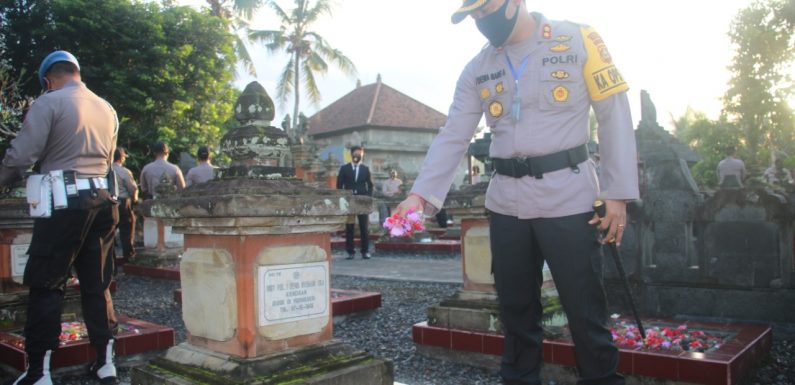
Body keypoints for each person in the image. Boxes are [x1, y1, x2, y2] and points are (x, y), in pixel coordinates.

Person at [395, 2, 639, 384]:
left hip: (569, 199)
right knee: (516, 316)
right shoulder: (478, 67)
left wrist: (617, 193)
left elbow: (614, 112)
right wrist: (419, 196)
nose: (481, 20)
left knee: (585, 314)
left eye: (486, 9)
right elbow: (454, 133)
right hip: (507, 205)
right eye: (474, 15)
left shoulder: (578, 39)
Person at [0, 50, 120, 385]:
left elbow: (22, 156)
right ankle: (106, 364)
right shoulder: (107, 108)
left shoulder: (48, 102)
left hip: (64, 203)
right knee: (97, 284)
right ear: (77, 72)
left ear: (48, 80)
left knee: (47, 283)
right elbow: (109, 159)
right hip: (103, 202)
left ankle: (39, 373)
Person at [337, 146, 374, 260]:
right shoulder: (344, 168)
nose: (358, 156)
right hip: (349, 201)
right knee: (349, 227)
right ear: (352, 154)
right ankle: (350, 252)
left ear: (362, 155)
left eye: (360, 154)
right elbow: (339, 185)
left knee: (364, 226)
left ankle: (365, 251)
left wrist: (367, 197)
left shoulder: (365, 169)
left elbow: (370, 185)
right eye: (356, 154)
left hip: (362, 201)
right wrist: (342, 199)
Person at [112, 147, 138, 262]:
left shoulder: (104, 170)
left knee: (109, 231)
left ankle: (110, 257)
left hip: (107, 202)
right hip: (122, 202)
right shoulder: (124, 171)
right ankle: (129, 256)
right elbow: (133, 188)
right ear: (121, 158)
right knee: (127, 230)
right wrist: (135, 199)